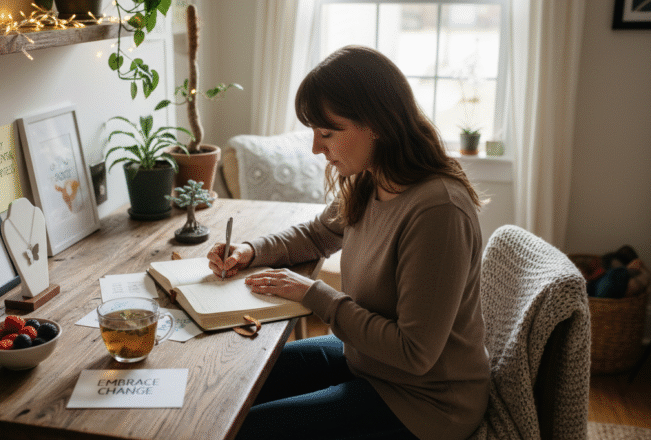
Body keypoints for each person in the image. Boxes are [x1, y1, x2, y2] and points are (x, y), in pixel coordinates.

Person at [207, 45, 490, 440]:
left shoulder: (437, 211)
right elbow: (317, 233)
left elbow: (414, 353)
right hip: (367, 363)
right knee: (234, 381)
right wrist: (251, 250)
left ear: (377, 123)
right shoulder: (373, 178)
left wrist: (313, 293)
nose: (316, 148)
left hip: (426, 404)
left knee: (249, 429)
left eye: (327, 133)